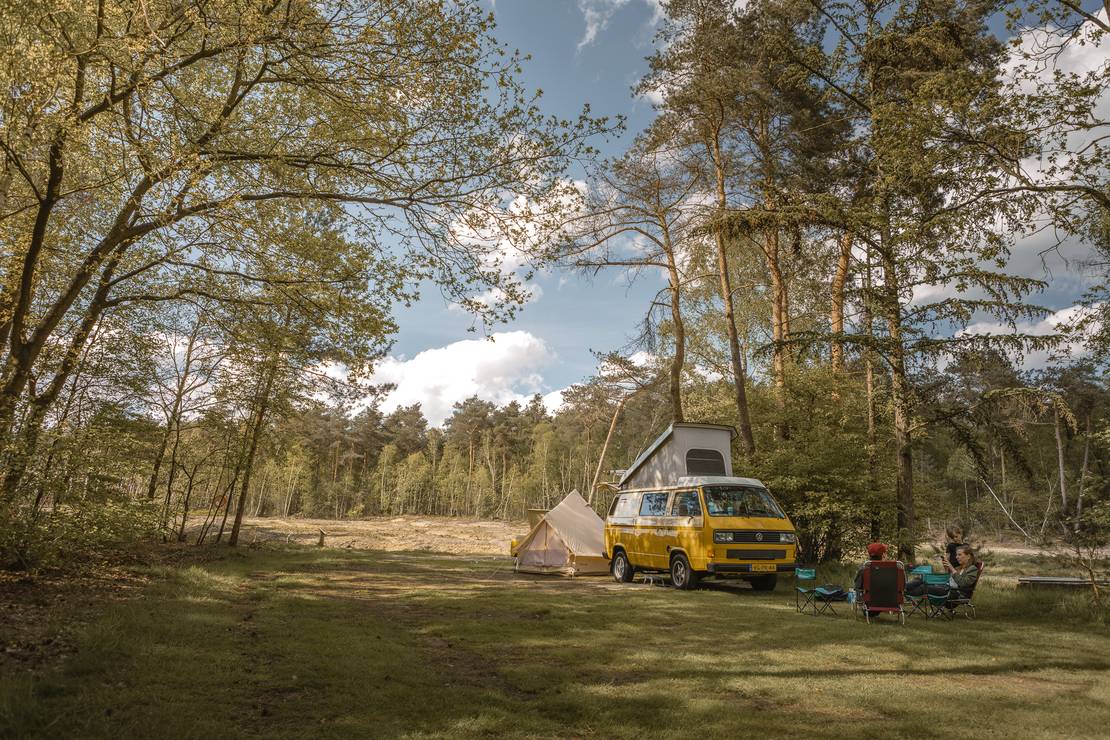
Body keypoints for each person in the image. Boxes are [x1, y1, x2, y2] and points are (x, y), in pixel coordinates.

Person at [906, 544, 979, 598]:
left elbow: (963, 583)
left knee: (924, 587)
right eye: (956, 555)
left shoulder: (972, 569)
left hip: (954, 593)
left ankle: (902, 592)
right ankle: (901, 588)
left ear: (968, 556)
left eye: (959, 555)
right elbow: (949, 578)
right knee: (922, 579)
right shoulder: (958, 568)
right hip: (945, 587)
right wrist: (946, 568)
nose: (957, 557)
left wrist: (951, 567)